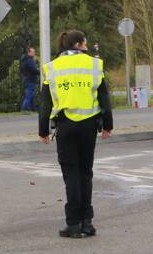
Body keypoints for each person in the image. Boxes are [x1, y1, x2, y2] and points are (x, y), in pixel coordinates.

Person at [38, 30, 114, 239]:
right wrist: (108, 125)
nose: (87, 47)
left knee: (71, 174)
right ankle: (87, 223)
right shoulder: (94, 65)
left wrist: (43, 130)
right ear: (79, 44)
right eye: (85, 43)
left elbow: (45, 103)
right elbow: (104, 98)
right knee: (85, 172)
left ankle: (73, 224)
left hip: (65, 126)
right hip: (89, 125)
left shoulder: (52, 67)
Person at [19, 46, 40, 112]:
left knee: (31, 95)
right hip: (30, 79)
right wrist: (40, 72)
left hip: (26, 79)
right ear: (29, 52)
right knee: (29, 95)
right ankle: (24, 108)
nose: (34, 53)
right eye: (33, 52)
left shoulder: (24, 60)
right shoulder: (29, 60)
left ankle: (31, 109)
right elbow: (33, 69)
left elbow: (21, 70)